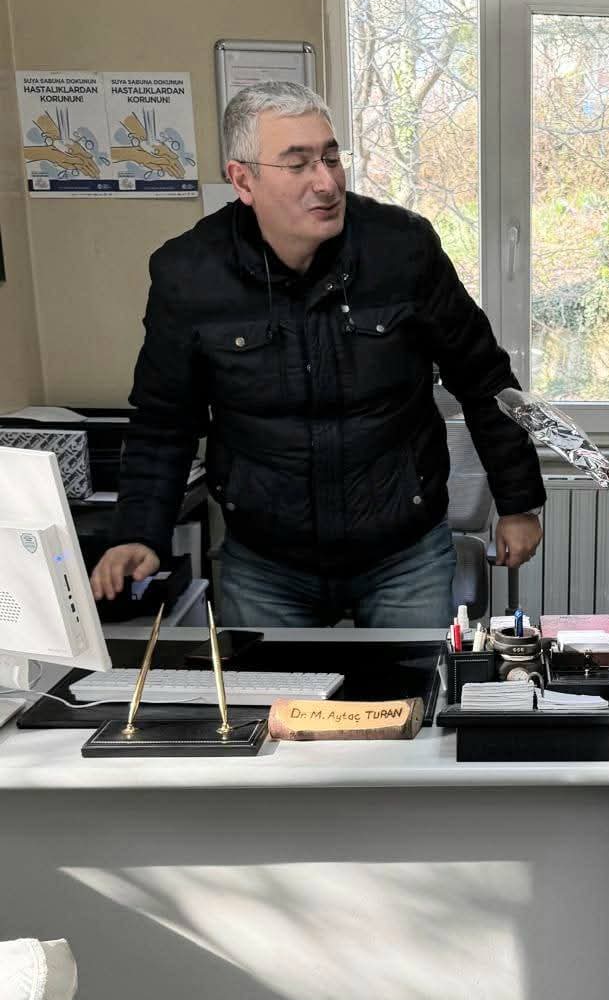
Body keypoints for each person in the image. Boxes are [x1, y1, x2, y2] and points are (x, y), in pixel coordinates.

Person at [91, 82, 544, 626]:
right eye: (298, 163)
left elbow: (485, 379)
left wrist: (517, 502)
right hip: (266, 561)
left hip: (403, 551)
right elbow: (164, 420)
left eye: (331, 157)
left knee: (412, 683)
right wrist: (138, 532)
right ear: (243, 180)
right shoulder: (189, 275)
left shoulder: (402, 248)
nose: (326, 182)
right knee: (268, 687)